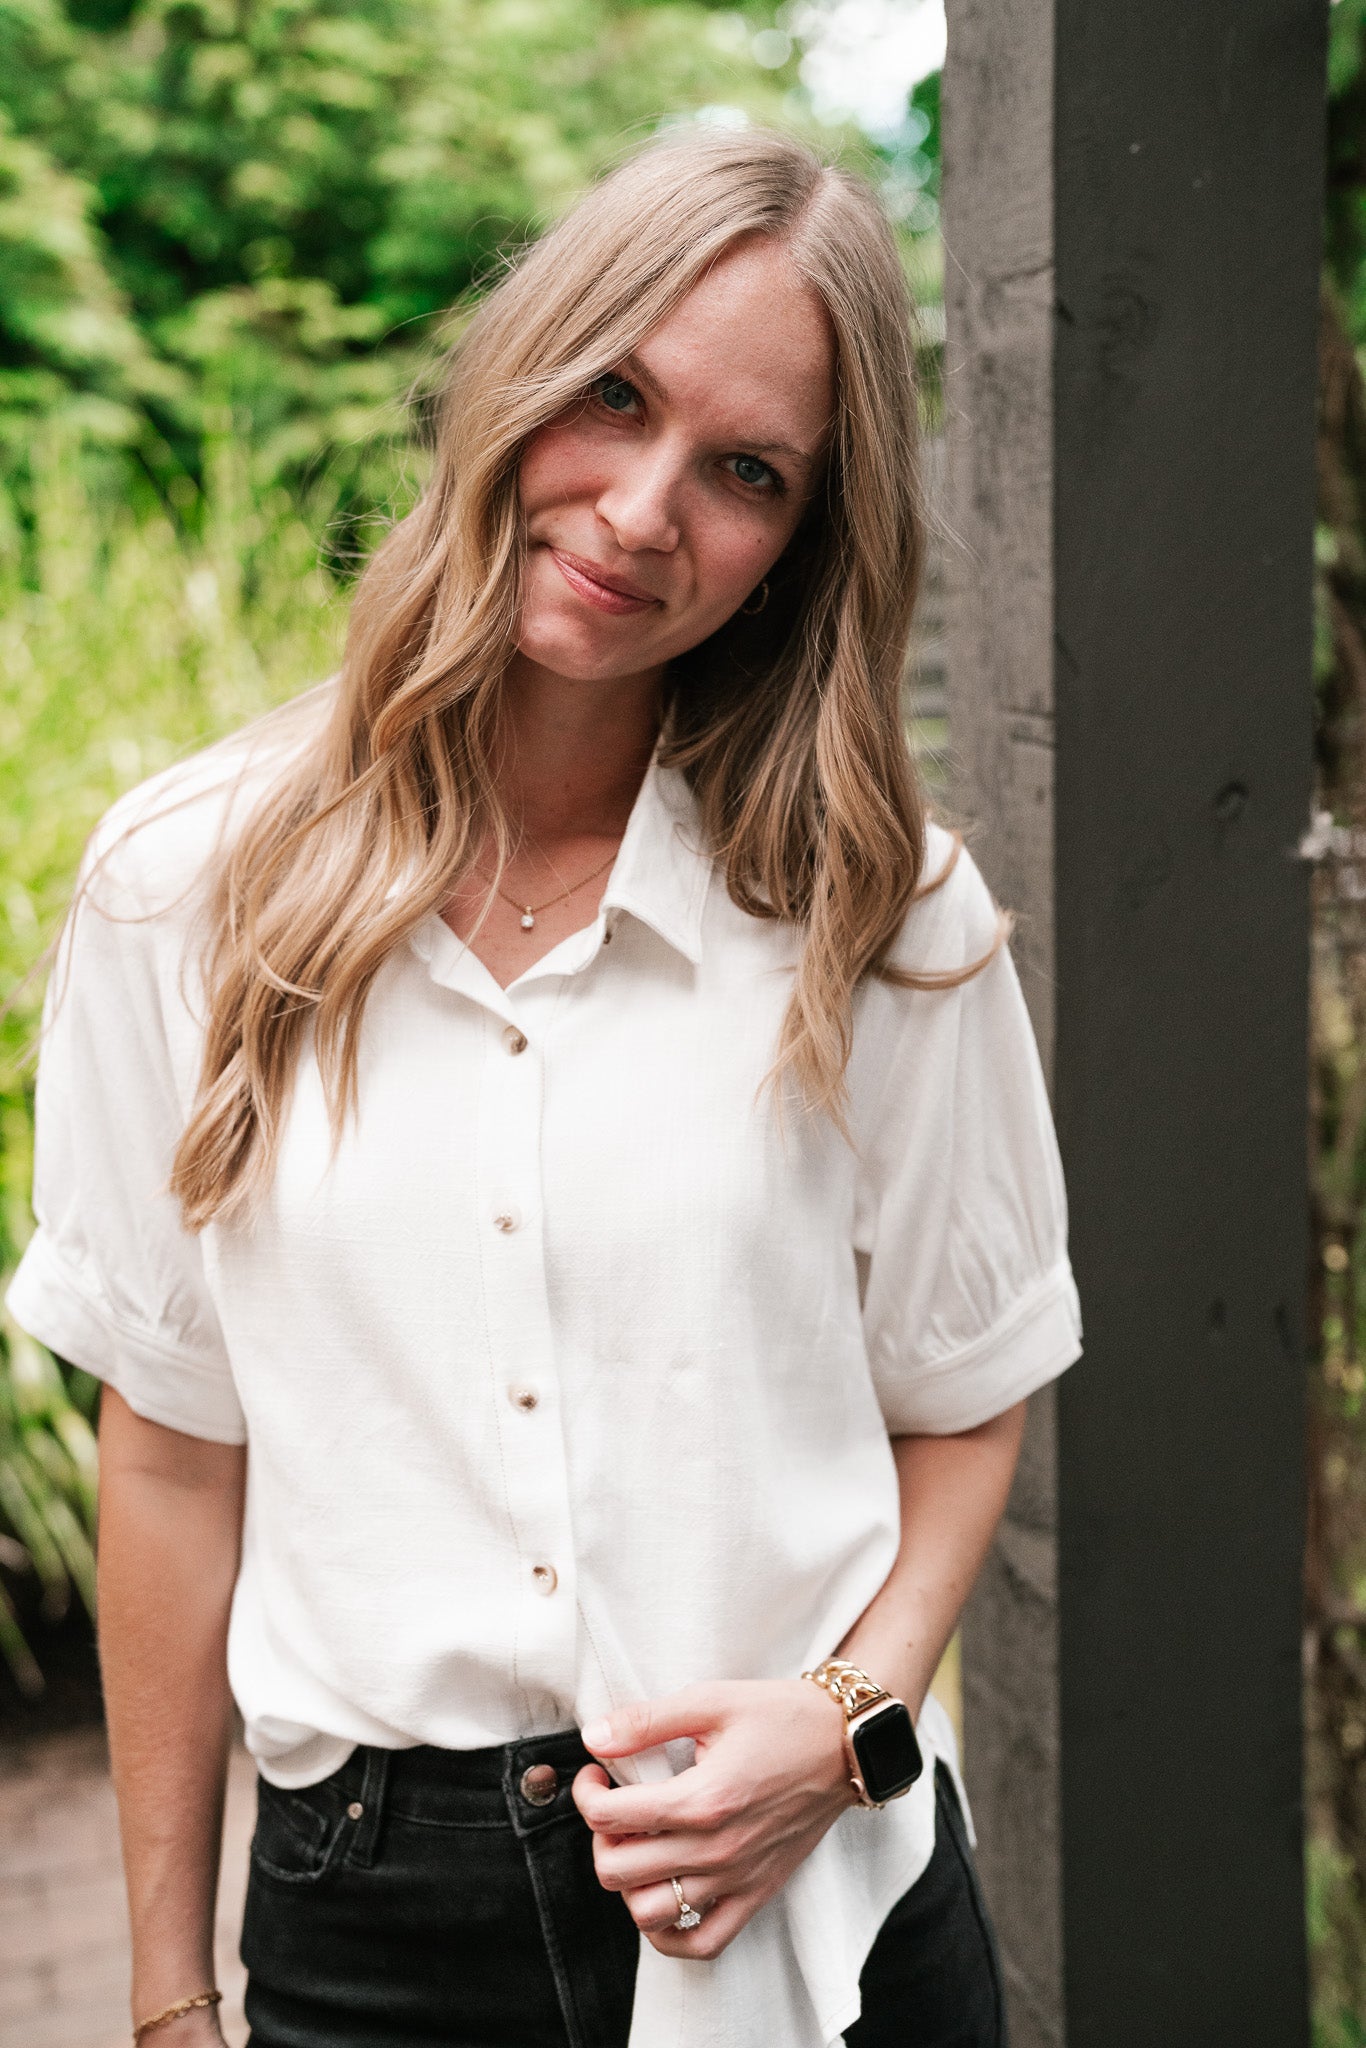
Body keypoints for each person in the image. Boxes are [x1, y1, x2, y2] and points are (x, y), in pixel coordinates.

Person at [8, 127, 1082, 2048]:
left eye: (744, 471)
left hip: (813, 1903)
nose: (644, 510)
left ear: (804, 540)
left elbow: (966, 1394)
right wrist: (169, 2003)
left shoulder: (880, 914)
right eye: (612, 397)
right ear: (518, 370)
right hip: (370, 1919)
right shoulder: (180, 888)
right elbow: (170, 1457)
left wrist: (839, 1729)